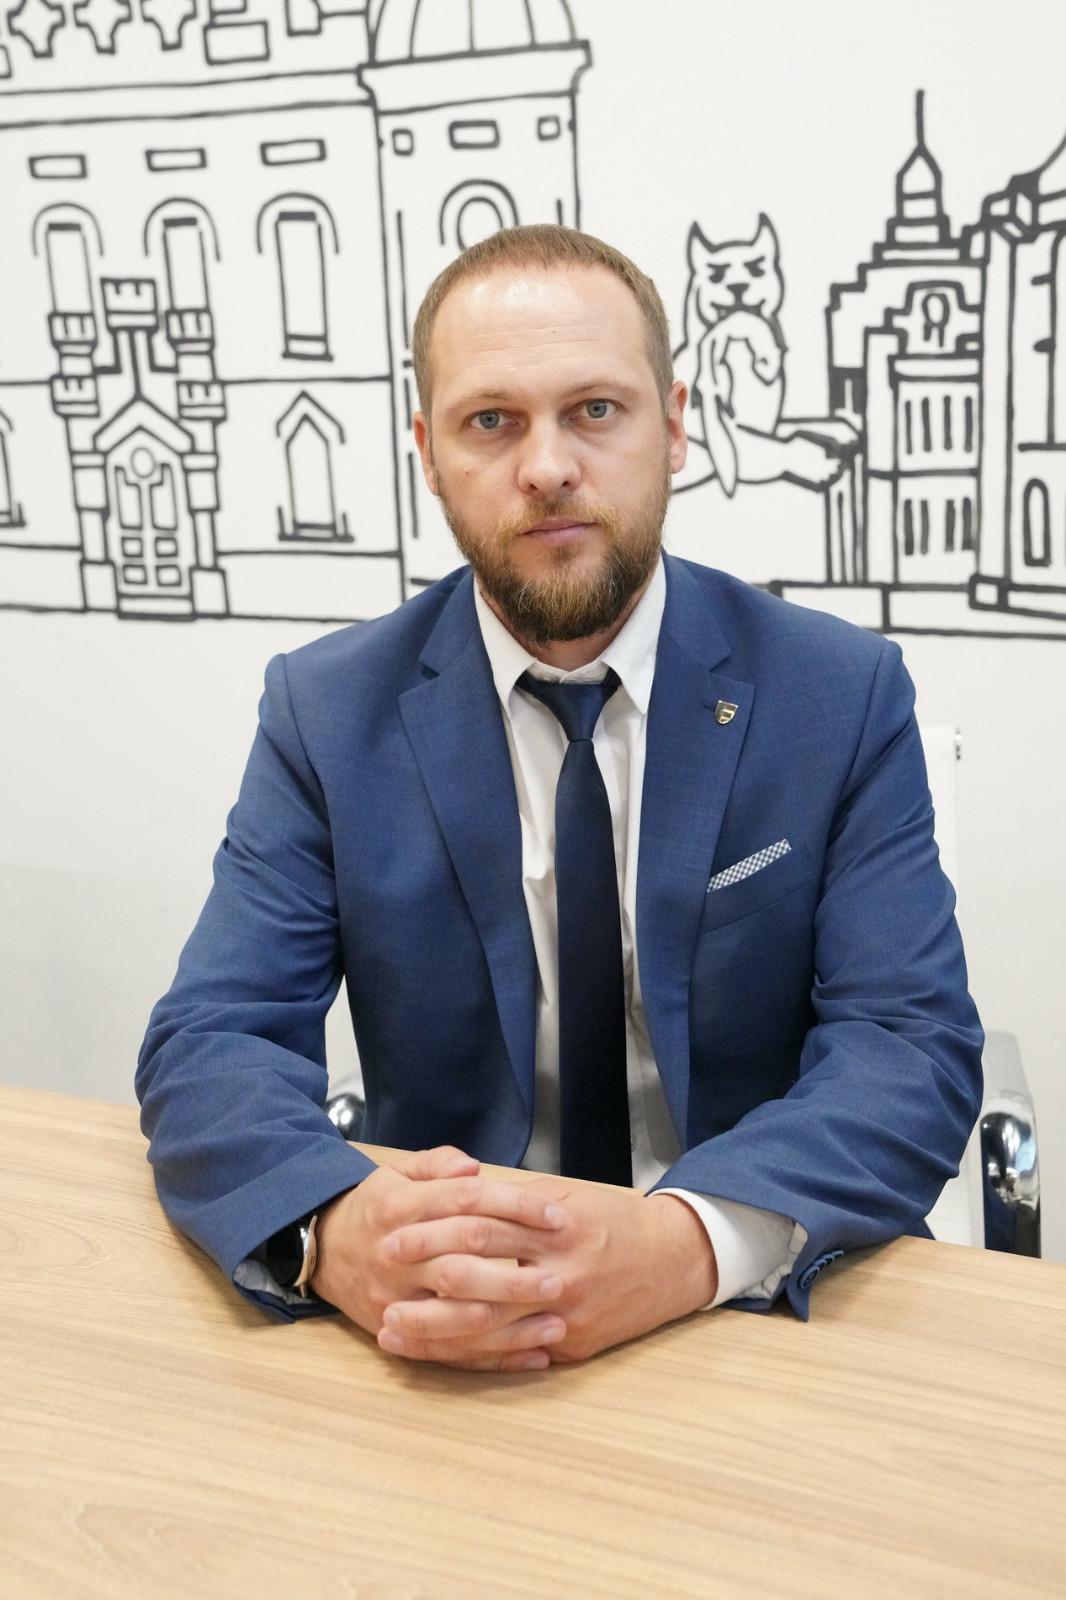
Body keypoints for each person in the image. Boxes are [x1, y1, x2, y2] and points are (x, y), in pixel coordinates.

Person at [136, 225, 983, 1373]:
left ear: (672, 425)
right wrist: (336, 1228)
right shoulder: (326, 713)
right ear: (427, 452)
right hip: (447, 1317)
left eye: (594, 409)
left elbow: (907, 1043)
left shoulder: (838, 693)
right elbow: (212, 1038)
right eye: (491, 421)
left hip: (753, 1301)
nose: (545, 466)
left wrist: (682, 1243)